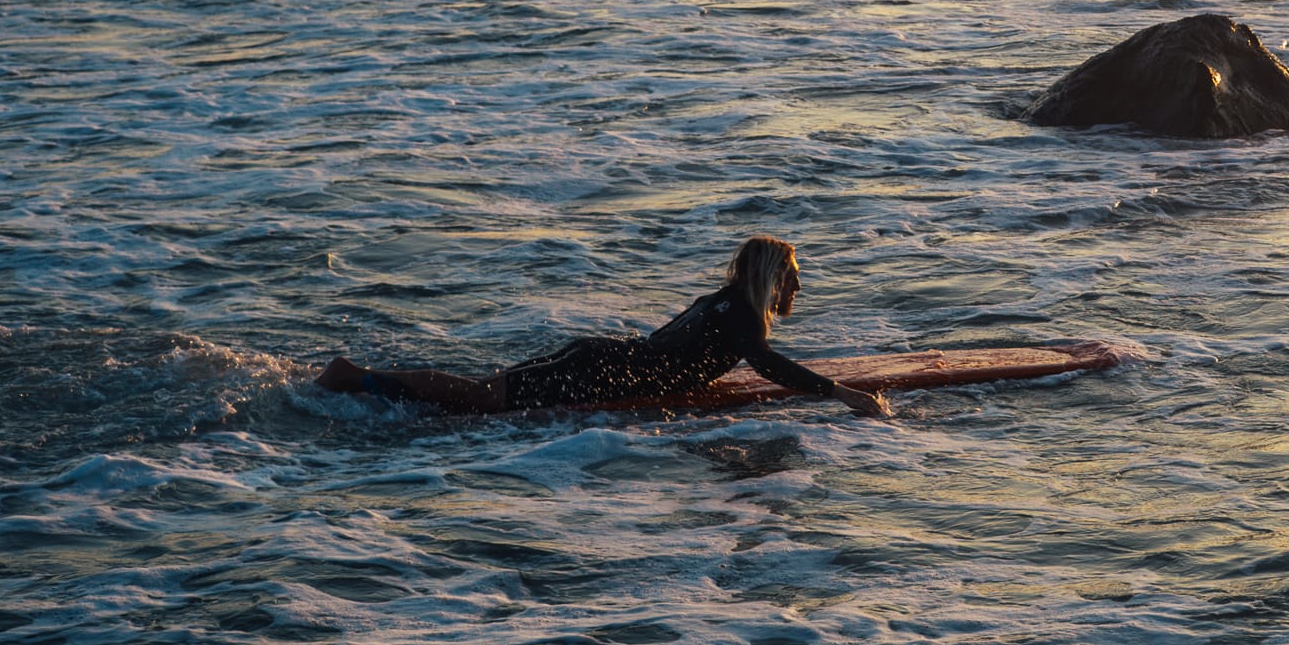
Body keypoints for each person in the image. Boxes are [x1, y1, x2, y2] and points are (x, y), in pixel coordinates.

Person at [316, 235, 889, 416]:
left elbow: (672, 349)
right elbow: (767, 364)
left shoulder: (717, 302)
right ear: (769, 277)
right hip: (602, 372)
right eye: (791, 276)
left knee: (483, 391)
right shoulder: (742, 315)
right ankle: (358, 378)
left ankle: (365, 381)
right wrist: (843, 394)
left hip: (601, 358)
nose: (797, 287)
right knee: (480, 400)